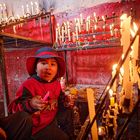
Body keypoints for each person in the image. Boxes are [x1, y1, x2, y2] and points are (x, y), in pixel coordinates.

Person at [0, 47, 74, 140]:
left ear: (57, 70)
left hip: (49, 122)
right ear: (35, 68)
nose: (48, 67)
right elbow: (13, 109)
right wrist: (31, 104)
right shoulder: (29, 84)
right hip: (34, 128)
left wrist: (65, 100)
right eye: (43, 63)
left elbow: (59, 98)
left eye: (53, 64)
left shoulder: (56, 83)